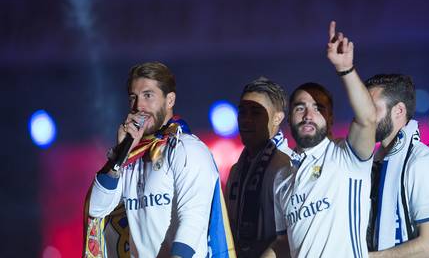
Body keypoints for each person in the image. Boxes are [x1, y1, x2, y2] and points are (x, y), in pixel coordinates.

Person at [261, 20, 376, 257]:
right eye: (300, 108)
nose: (309, 115)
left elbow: (368, 119)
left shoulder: (348, 157)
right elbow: (284, 242)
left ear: (331, 119)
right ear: (289, 118)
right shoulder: (282, 177)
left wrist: (345, 69)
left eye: (318, 108)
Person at [87, 62, 219, 258]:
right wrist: (119, 156)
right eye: (133, 97)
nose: (138, 106)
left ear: (170, 100)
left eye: (148, 96)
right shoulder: (130, 157)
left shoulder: (188, 148)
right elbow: (96, 208)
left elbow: (193, 221)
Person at [366, 74, 429, 257]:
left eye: (371, 108)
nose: (364, 116)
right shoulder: (376, 164)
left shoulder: (422, 162)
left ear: (399, 110)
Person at [225, 77, 292, 257]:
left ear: (277, 118)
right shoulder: (236, 170)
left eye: (255, 113)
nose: (246, 120)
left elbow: (289, 238)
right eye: (242, 112)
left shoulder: (288, 165)